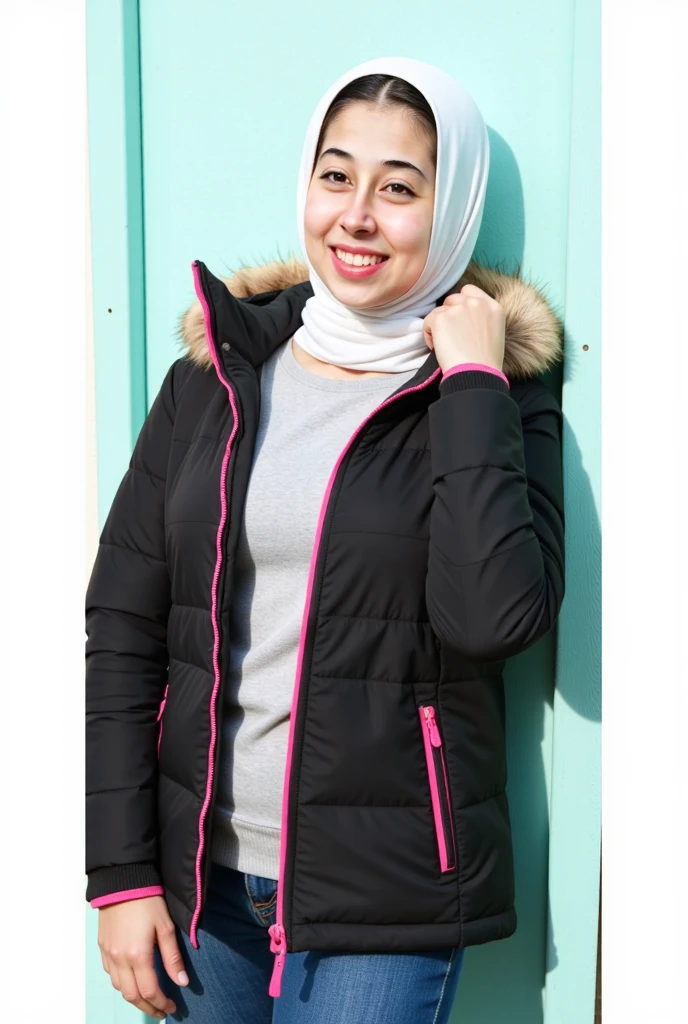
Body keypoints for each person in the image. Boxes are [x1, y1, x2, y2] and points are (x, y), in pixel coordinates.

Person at [86, 56, 566, 1023]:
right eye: (336, 175)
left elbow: (493, 620)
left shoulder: (493, 398)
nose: (356, 215)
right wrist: (122, 874)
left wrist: (475, 383)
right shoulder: (216, 373)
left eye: (400, 189)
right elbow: (125, 631)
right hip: (201, 887)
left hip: (387, 900)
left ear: (452, 208)